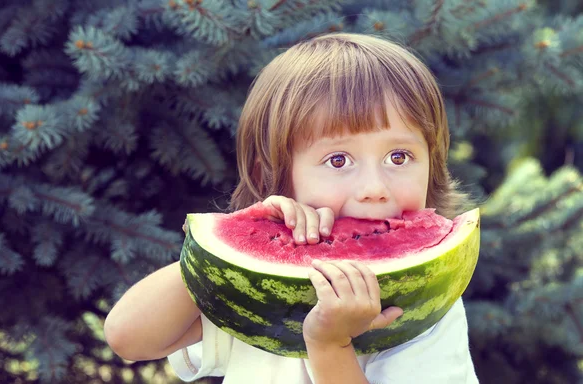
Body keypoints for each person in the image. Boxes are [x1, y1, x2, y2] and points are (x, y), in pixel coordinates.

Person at [104, 32, 478, 383]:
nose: (374, 189)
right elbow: (128, 338)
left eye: (399, 156)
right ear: (275, 176)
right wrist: (215, 249)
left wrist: (330, 345)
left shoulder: (430, 303)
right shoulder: (248, 287)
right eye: (337, 160)